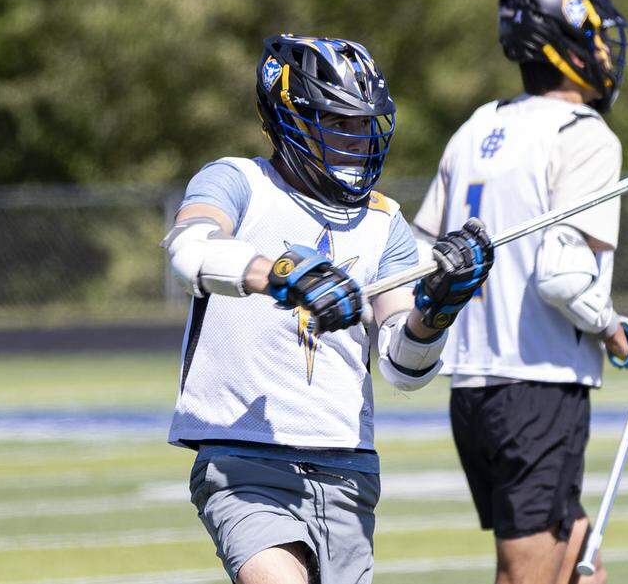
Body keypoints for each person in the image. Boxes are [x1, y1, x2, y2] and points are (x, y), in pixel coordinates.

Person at [162, 34, 494, 584]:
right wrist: (279, 274)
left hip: (348, 470)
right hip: (246, 465)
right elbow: (188, 248)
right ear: (288, 116)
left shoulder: (385, 221)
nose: (357, 138)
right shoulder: (237, 180)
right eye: (339, 123)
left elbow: (402, 365)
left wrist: (438, 309)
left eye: (365, 124)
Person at [412, 0, 628, 584]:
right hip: (538, 384)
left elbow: (425, 251)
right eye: (598, 38)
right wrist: (624, 338)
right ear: (567, 44)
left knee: (580, 560)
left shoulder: (477, 125)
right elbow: (562, 279)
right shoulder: (582, 134)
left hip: (474, 384)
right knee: (528, 572)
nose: (608, 53)